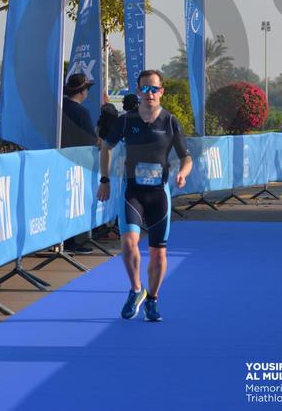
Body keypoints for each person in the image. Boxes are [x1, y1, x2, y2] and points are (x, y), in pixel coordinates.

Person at [98, 69, 192, 322]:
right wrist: (104, 179)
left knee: (158, 253)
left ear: (161, 91)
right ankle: (136, 290)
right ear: (138, 92)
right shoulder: (126, 121)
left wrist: (182, 173)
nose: (150, 93)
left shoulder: (170, 122)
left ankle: (153, 300)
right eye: (145, 89)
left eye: (155, 89)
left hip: (159, 195)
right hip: (133, 193)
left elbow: (186, 157)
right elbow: (106, 147)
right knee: (128, 243)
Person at [61, 72, 98, 254]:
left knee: (61, 202)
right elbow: (90, 139)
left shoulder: (58, 108)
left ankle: (61, 241)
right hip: (77, 164)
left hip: (57, 161)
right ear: (82, 91)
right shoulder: (82, 112)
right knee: (74, 204)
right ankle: (71, 242)